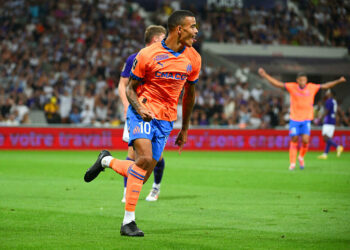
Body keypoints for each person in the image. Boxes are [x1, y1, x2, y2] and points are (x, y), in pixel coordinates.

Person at [84, 10, 201, 237]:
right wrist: (139, 108)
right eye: (193, 26)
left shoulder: (193, 58)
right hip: (142, 112)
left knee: (142, 174)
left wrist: (185, 128)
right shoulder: (148, 54)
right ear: (179, 29)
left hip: (166, 120)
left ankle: (106, 160)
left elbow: (190, 95)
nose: (196, 31)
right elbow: (130, 88)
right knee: (144, 159)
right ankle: (128, 222)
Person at [258, 68, 346, 170]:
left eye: (305, 80)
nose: (303, 82)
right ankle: (292, 164)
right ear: (297, 80)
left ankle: (301, 157)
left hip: (306, 119)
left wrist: (338, 81)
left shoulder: (312, 87)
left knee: (305, 140)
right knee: (294, 139)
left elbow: (326, 86)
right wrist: (265, 75)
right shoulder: (292, 87)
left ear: (306, 80)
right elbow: (278, 84)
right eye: (301, 80)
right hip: (294, 119)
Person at [118, 25, 167, 203]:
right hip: (137, 111)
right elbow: (123, 85)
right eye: (164, 38)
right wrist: (126, 105)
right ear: (155, 40)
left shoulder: (165, 60)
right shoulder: (134, 58)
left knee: (156, 156)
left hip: (157, 113)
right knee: (132, 154)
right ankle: (126, 190)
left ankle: (156, 187)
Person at [318, 89, 344, 159]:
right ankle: (325, 154)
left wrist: (320, 118)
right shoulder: (334, 101)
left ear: (331, 94)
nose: (326, 93)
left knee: (325, 137)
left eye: (328, 92)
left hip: (328, 120)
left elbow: (327, 110)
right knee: (328, 138)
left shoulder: (329, 101)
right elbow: (337, 110)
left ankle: (338, 147)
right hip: (333, 121)